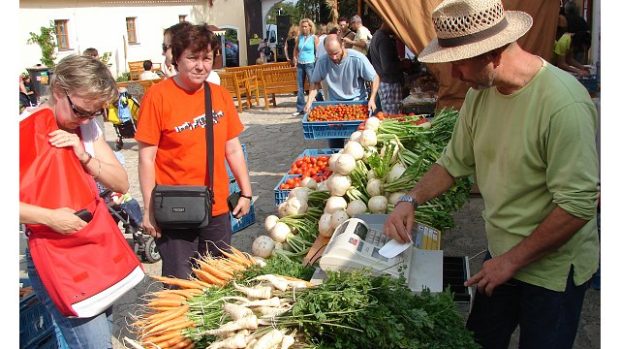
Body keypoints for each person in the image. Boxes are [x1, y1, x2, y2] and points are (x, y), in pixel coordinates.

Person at [383, 0, 599, 348]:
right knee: (479, 341)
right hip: (501, 256)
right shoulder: (480, 97)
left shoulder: (564, 104)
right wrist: (410, 199)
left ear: (494, 53)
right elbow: (451, 164)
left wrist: (511, 261)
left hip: (552, 272)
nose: (454, 74)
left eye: (460, 62)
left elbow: (577, 206)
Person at [19, 54, 129, 348]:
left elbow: (121, 182)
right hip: (56, 256)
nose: (86, 120)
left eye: (94, 113)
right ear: (58, 92)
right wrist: (51, 218)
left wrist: (84, 156)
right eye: (81, 111)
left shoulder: (86, 127)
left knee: (102, 329)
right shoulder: (21, 130)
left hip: (93, 248)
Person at [136, 23, 253, 280]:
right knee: (181, 282)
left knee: (218, 278)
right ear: (176, 58)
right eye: (192, 58)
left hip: (216, 205)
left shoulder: (219, 95)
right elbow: (147, 158)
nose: (201, 66)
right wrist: (148, 209)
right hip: (175, 207)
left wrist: (246, 191)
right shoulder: (157, 97)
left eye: (207, 58)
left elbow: (232, 148)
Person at [304, 34, 379, 148]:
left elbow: (374, 78)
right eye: (330, 54)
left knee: (360, 143)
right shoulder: (323, 61)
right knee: (335, 146)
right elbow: (315, 83)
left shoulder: (357, 58)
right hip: (334, 107)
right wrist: (309, 101)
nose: (333, 57)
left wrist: (372, 98)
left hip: (357, 105)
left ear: (343, 45)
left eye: (336, 53)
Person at [369, 23, 405, 115]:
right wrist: (403, 64)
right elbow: (387, 67)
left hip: (384, 82)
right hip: (389, 83)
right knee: (393, 116)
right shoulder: (383, 40)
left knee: (392, 115)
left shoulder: (377, 36)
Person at [292, 18, 319, 116]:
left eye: (306, 26)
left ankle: (320, 102)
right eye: (302, 26)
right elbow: (295, 49)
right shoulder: (299, 38)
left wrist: (317, 63)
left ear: (310, 27)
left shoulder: (314, 38)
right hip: (300, 64)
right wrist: (294, 58)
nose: (304, 28)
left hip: (310, 63)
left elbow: (318, 52)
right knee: (300, 87)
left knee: (313, 84)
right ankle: (300, 108)